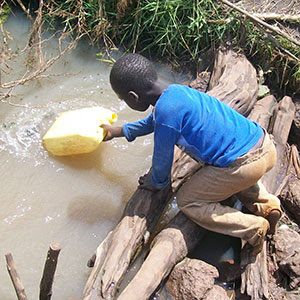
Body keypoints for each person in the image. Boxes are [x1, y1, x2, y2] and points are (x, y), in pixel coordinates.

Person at [101, 53, 283, 255]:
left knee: (187, 200)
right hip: (263, 145)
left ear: (133, 97)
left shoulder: (166, 112)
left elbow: (162, 159)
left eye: (123, 99)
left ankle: (253, 229)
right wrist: (117, 131)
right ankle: (269, 206)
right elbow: (155, 121)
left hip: (243, 166)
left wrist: (157, 182)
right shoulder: (176, 92)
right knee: (233, 169)